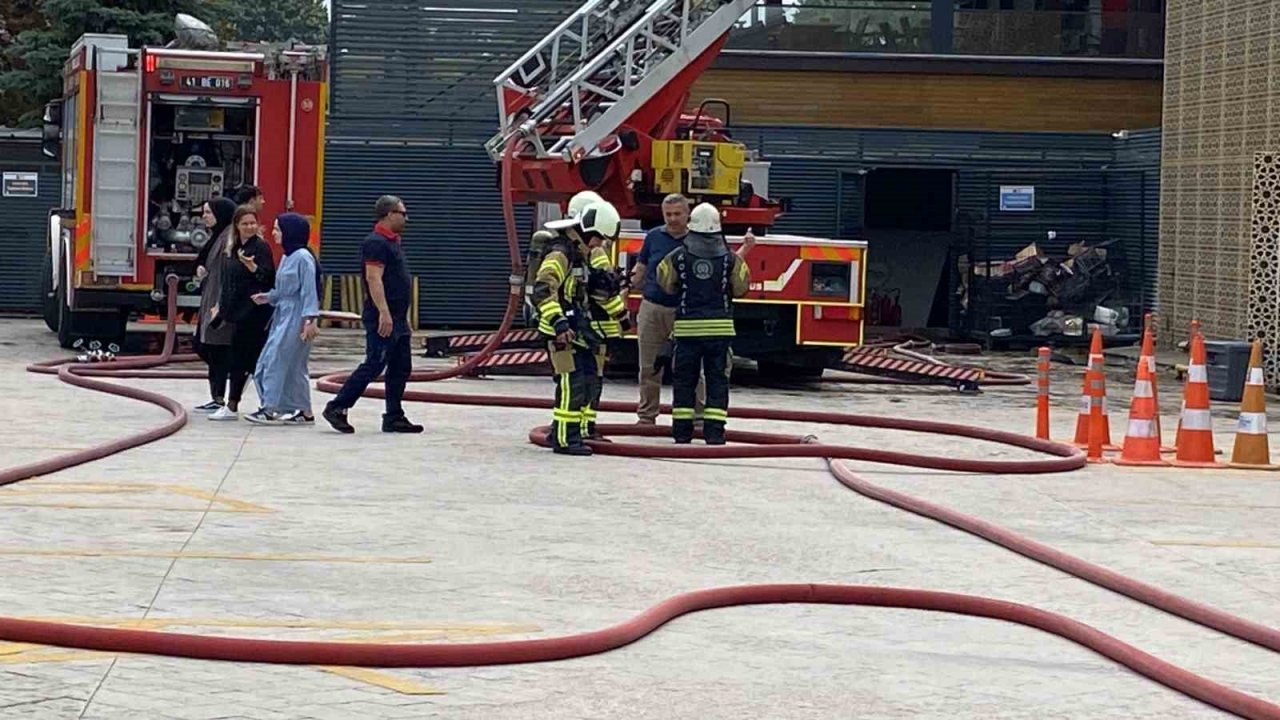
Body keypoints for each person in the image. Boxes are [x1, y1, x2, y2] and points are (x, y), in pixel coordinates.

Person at [323, 196, 424, 434]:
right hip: (383, 316)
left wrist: (400, 316)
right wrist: (384, 313)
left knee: (401, 366)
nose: (406, 218)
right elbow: (373, 278)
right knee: (374, 363)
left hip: (397, 318)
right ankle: (337, 406)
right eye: (402, 213)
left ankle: (394, 415)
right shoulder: (376, 243)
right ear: (389, 214)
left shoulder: (392, 242)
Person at [655, 203, 752, 445]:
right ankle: (715, 434)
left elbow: (664, 281)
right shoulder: (731, 260)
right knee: (717, 381)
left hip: (687, 331)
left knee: (684, 381)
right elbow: (741, 288)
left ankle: (681, 432)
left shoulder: (677, 256)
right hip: (720, 332)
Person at [533, 200, 622, 456]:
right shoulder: (562, 252)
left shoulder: (578, 251)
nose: (599, 246)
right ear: (589, 231)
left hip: (575, 329)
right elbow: (543, 288)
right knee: (572, 383)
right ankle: (564, 439)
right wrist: (559, 323)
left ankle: (564, 433)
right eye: (599, 239)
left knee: (586, 379)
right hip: (559, 331)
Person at [629, 193, 705, 425]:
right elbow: (641, 269)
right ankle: (646, 417)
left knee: (691, 367)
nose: (672, 219)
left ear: (688, 214)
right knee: (649, 367)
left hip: (685, 311)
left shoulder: (699, 239)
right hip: (652, 308)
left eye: (677, 214)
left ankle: (698, 417)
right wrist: (626, 285)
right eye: (668, 214)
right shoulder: (653, 237)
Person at [245, 214, 322, 426]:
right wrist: (269, 297)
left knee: (276, 360)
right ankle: (304, 411)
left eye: (278, 229)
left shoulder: (303, 258)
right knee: (293, 365)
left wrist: (310, 319)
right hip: (284, 313)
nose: (274, 233)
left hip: (297, 316)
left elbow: (309, 290)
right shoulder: (288, 256)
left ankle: (270, 408)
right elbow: (284, 289)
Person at [208, 205, 276, 421]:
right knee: (240, 361)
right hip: (237, 313)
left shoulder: (261, 248)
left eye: (253, 223)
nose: (249, 227)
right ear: (237, 226)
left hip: (255, 314)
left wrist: (253, 268)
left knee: (249, 361)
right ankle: (239, 405)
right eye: (245, 223)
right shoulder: (233, 248)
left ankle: (252, 405)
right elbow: (228, 283)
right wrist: (220, 309)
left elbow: (269, 279)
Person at [192, 197, 237, 413]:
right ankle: (217, 396)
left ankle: (220, 397)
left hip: (218, 300)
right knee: (206, 345)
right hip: (210, 297)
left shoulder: (228, 238)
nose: (204, 217)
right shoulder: (218, 236)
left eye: (208, 212)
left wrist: (221, 303)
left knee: (215, 348)